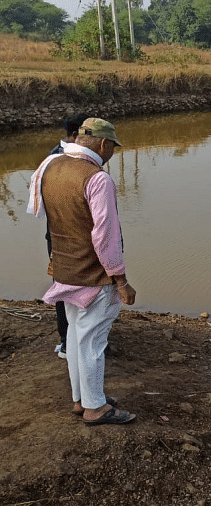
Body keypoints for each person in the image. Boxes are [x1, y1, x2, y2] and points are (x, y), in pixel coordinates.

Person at [27, 118, 137, 426]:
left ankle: (83, 399)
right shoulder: (97, 179)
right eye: (113, 148)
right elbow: (105, 237)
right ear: (103, 145)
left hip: (65, 267)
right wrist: (121, 280)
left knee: (76, 338)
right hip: (93, 274)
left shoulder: (50, 167)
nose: (112, 153)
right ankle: (95, 408)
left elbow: (46, 216)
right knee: (92, 343)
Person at [46, 113, 90, 359]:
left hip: (72, 233)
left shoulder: (73, 157)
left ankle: (78, 339)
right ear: (77, 135)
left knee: (81, 284)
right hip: (62, 234)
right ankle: (66, 342)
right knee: (64, 285)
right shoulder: (57, 158)